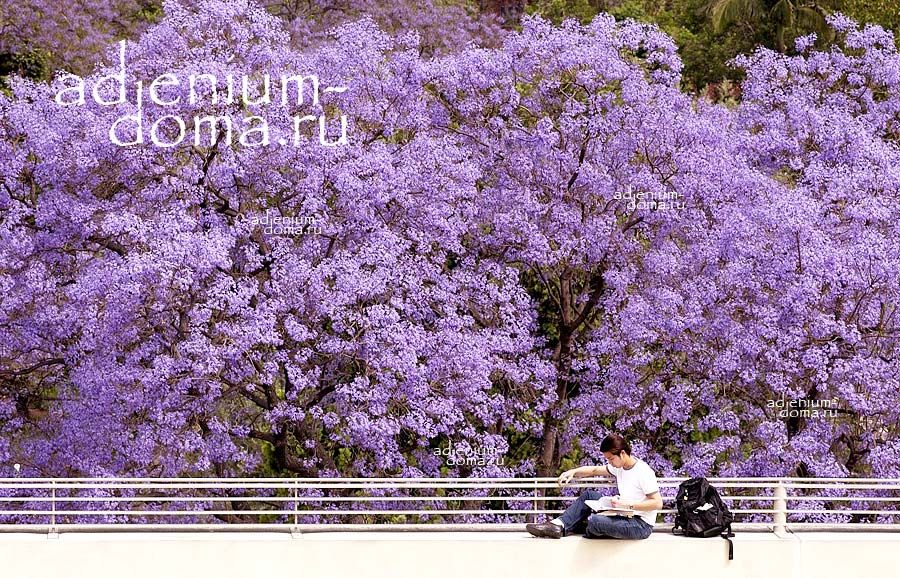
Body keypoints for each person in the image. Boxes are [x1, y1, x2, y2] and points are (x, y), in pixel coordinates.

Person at [526, 434, 662, 540]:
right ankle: (558, 525)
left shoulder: (643, 472)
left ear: (622, 453)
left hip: (640, 525)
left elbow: (657, 503)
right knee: (589, 496)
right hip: (624, 514)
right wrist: (572, 472)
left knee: (596, 521)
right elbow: (595, 470)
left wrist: (629, 505)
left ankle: (573, 526)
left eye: (611, 459)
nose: (610, 463)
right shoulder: (620, 467)